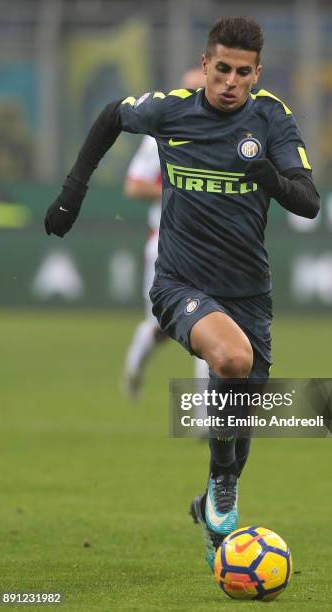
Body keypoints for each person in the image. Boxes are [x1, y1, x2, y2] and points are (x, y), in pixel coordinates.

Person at [44, 16, 320, 572]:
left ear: (256, 74)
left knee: (240, 415)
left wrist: (264, 173)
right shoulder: (173, 109)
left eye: (243, 73)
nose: (230, 82)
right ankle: (221, 483)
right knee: (232, 357)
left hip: (250, 294)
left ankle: (214, 494)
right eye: (221, 69)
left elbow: (308, 201)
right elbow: (109, 117)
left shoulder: (271, 117)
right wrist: (72, 193)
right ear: (204, 66)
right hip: (179, 283)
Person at [122, 69, 209, 401]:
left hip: (208, 246)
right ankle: (135, 363)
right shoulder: (161, 134)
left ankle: (205, 415)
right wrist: (176, 192)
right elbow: (134, 185)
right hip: (166, 245)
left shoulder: (226, 135)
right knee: (160, 328)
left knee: (209, 323)